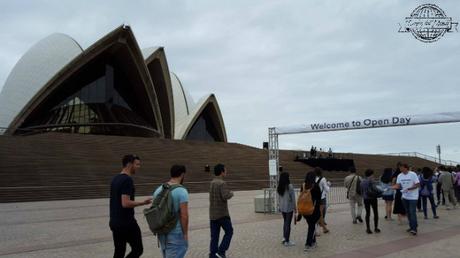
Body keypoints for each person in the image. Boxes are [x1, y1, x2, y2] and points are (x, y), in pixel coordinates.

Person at [109, 155, 152, 258]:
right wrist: (143, 203)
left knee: (119, 251)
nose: (138, 167)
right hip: (126, 223)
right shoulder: (127, 180)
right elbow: (125, 203)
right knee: (138, 249)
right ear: (129, 164)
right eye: (137, 164)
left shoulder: (115, 179)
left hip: (115, 222)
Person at [153, 165, 189, 258]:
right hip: (175, 233)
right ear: (182, 174)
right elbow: (184, 215)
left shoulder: (159, 189)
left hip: (162, 233)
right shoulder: (182, 191)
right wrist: (185, 234)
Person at [209, 164, 234, 258]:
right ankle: (221, 251)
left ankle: (212, 255)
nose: (226, 172)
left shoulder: (212, 182)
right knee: (229, 231)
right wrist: (231, 193)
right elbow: (225, 196)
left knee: (214, 236)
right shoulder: (222, 183)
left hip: (212, 214)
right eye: (225, 170)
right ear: (221, 172)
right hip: (222, 214)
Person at [393, 163, 420, 236]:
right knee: (408, 212)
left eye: (401, 168)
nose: (400, 169)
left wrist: (409, 189)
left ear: (406, 168)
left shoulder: (413, 174)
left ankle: (414, 229)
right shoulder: (399, 175)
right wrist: (394, 187)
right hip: (404, 197)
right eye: (399, 168)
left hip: (413, 197)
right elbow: (398, 185)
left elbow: (417, 185)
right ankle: (412, 226)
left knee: (412, 212)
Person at [301, 171, 322, 252]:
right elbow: (319, 199)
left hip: (305, 210)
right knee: (312, 226)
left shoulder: (303, 185)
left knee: (311, 225)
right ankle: (308, 244)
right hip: (313, 210)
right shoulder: (315, 186)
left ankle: (313, 242)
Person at [277, 172, 296, 246]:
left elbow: (278, 198)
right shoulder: (290, 186)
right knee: (288, 224)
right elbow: (293, 198)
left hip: (282, 207)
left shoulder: (279, 187)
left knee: (285, 222)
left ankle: (284, 237)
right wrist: (295, 207)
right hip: (289, 207)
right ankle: (287, 241)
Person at [360, 169, 381, 234]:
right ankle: (376, 228)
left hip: (366, 199)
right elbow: (375, 189)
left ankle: (368, 228)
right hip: (373, 198)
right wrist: (381, 191)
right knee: (375, 212)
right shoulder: (371, 181)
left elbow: (361, 191)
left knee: (367, 213)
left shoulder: (362, 181)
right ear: (371, 174)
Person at [315, 168, 330, 233]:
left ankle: (323, 227)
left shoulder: (313, 178)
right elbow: (327, 190)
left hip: (315, 198)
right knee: (320, 214)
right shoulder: (323, 179)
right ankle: (321, 228)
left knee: (318, 213)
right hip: (322, 198)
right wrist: (328, 185)